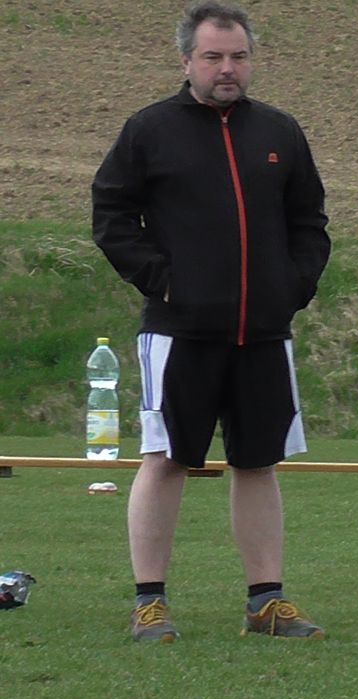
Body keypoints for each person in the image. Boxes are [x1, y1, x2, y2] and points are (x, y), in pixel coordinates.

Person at [91, 1, 330, 643]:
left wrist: (292, 287)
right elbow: (112, 218)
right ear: (186, 60)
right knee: (164, 459)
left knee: (257, 462)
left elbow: (310, 224)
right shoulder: (149, 131)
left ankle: (265, 602)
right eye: (214, 56)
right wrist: (168, 282)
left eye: (239, 56)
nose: (228, 69)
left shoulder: (280, 133)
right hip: (178, 332)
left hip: (263, 333)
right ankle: (149, 603)